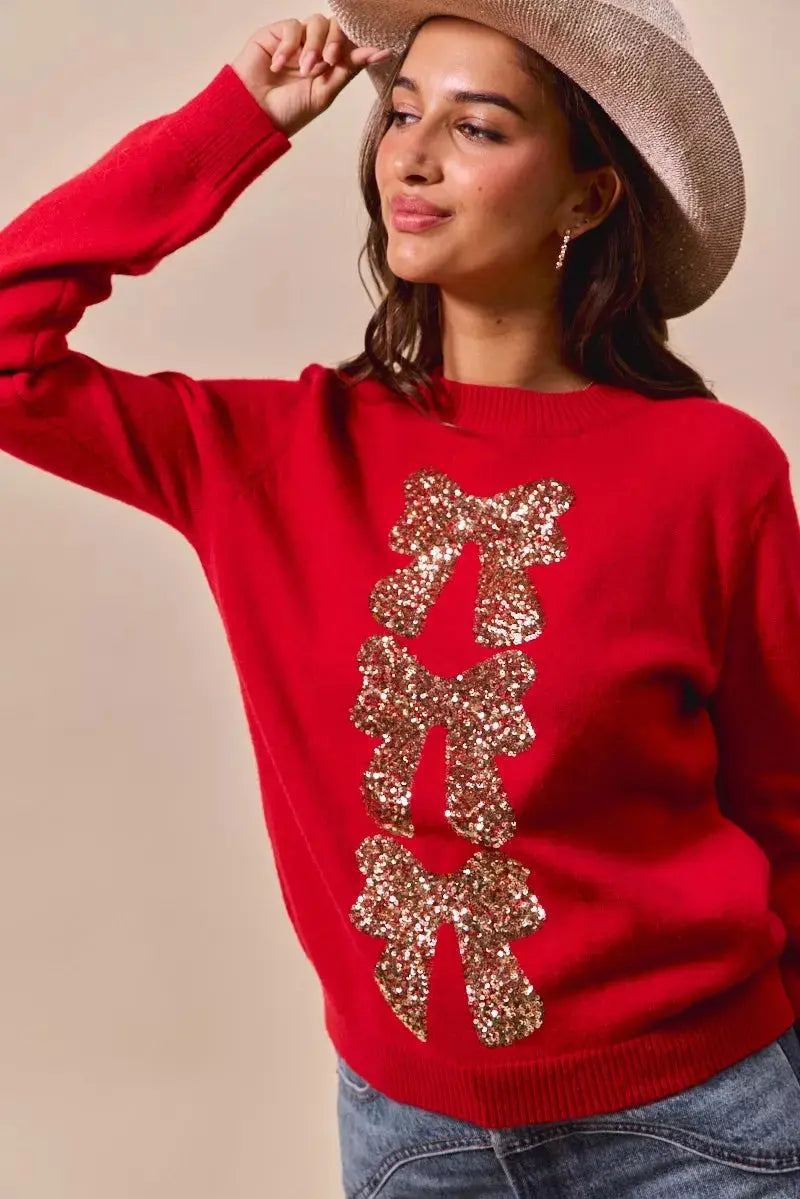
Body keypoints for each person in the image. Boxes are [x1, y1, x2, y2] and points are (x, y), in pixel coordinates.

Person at [0, 3, 798, 1195]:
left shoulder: (711, 471)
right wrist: (235, 123)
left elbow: (780, 801)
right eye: (400, 114)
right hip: (412, 1141)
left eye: (476, 127)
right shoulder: (269, 451)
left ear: (587, 197)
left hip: (696, 1126)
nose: (412, 158)